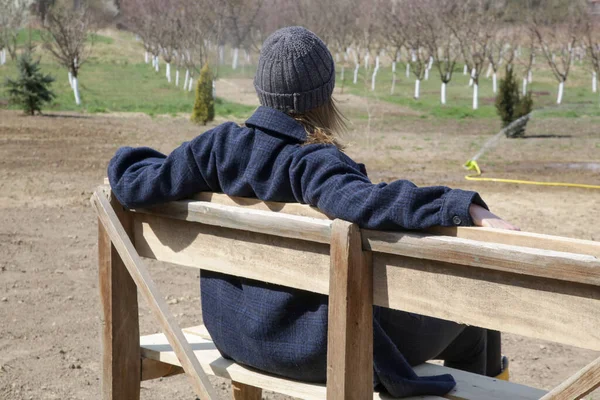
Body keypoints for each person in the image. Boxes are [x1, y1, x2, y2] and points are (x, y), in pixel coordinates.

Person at [108, 26, 516, 398]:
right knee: (473, 317)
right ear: (325, 94)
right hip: (316, 346)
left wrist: (129, 158)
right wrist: (463, 206)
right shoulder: (313, 162)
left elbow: (133, 181)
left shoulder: (216, 148)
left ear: (260, 88)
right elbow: (366, 202)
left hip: (233, 334)